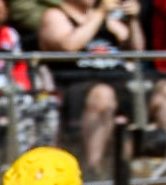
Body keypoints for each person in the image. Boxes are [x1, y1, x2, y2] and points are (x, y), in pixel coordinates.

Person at [39, 0, 166, 175]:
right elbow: (67, 47)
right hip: (76, 83)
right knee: (102, 94)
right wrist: (98, 15)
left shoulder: (110, 19)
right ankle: (94, 171)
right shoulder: (56, 15)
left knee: (163, 88)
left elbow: (137, 51)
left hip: (119, 81)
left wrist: (132, 20)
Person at [0, 0, 59, 173]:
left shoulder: (10, 35)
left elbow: (19, 68)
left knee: (49, 104)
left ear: (6, 13)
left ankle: (44, 159)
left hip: (13, 92)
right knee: (20, 105)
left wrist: (19, 86)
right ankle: (21, 165)